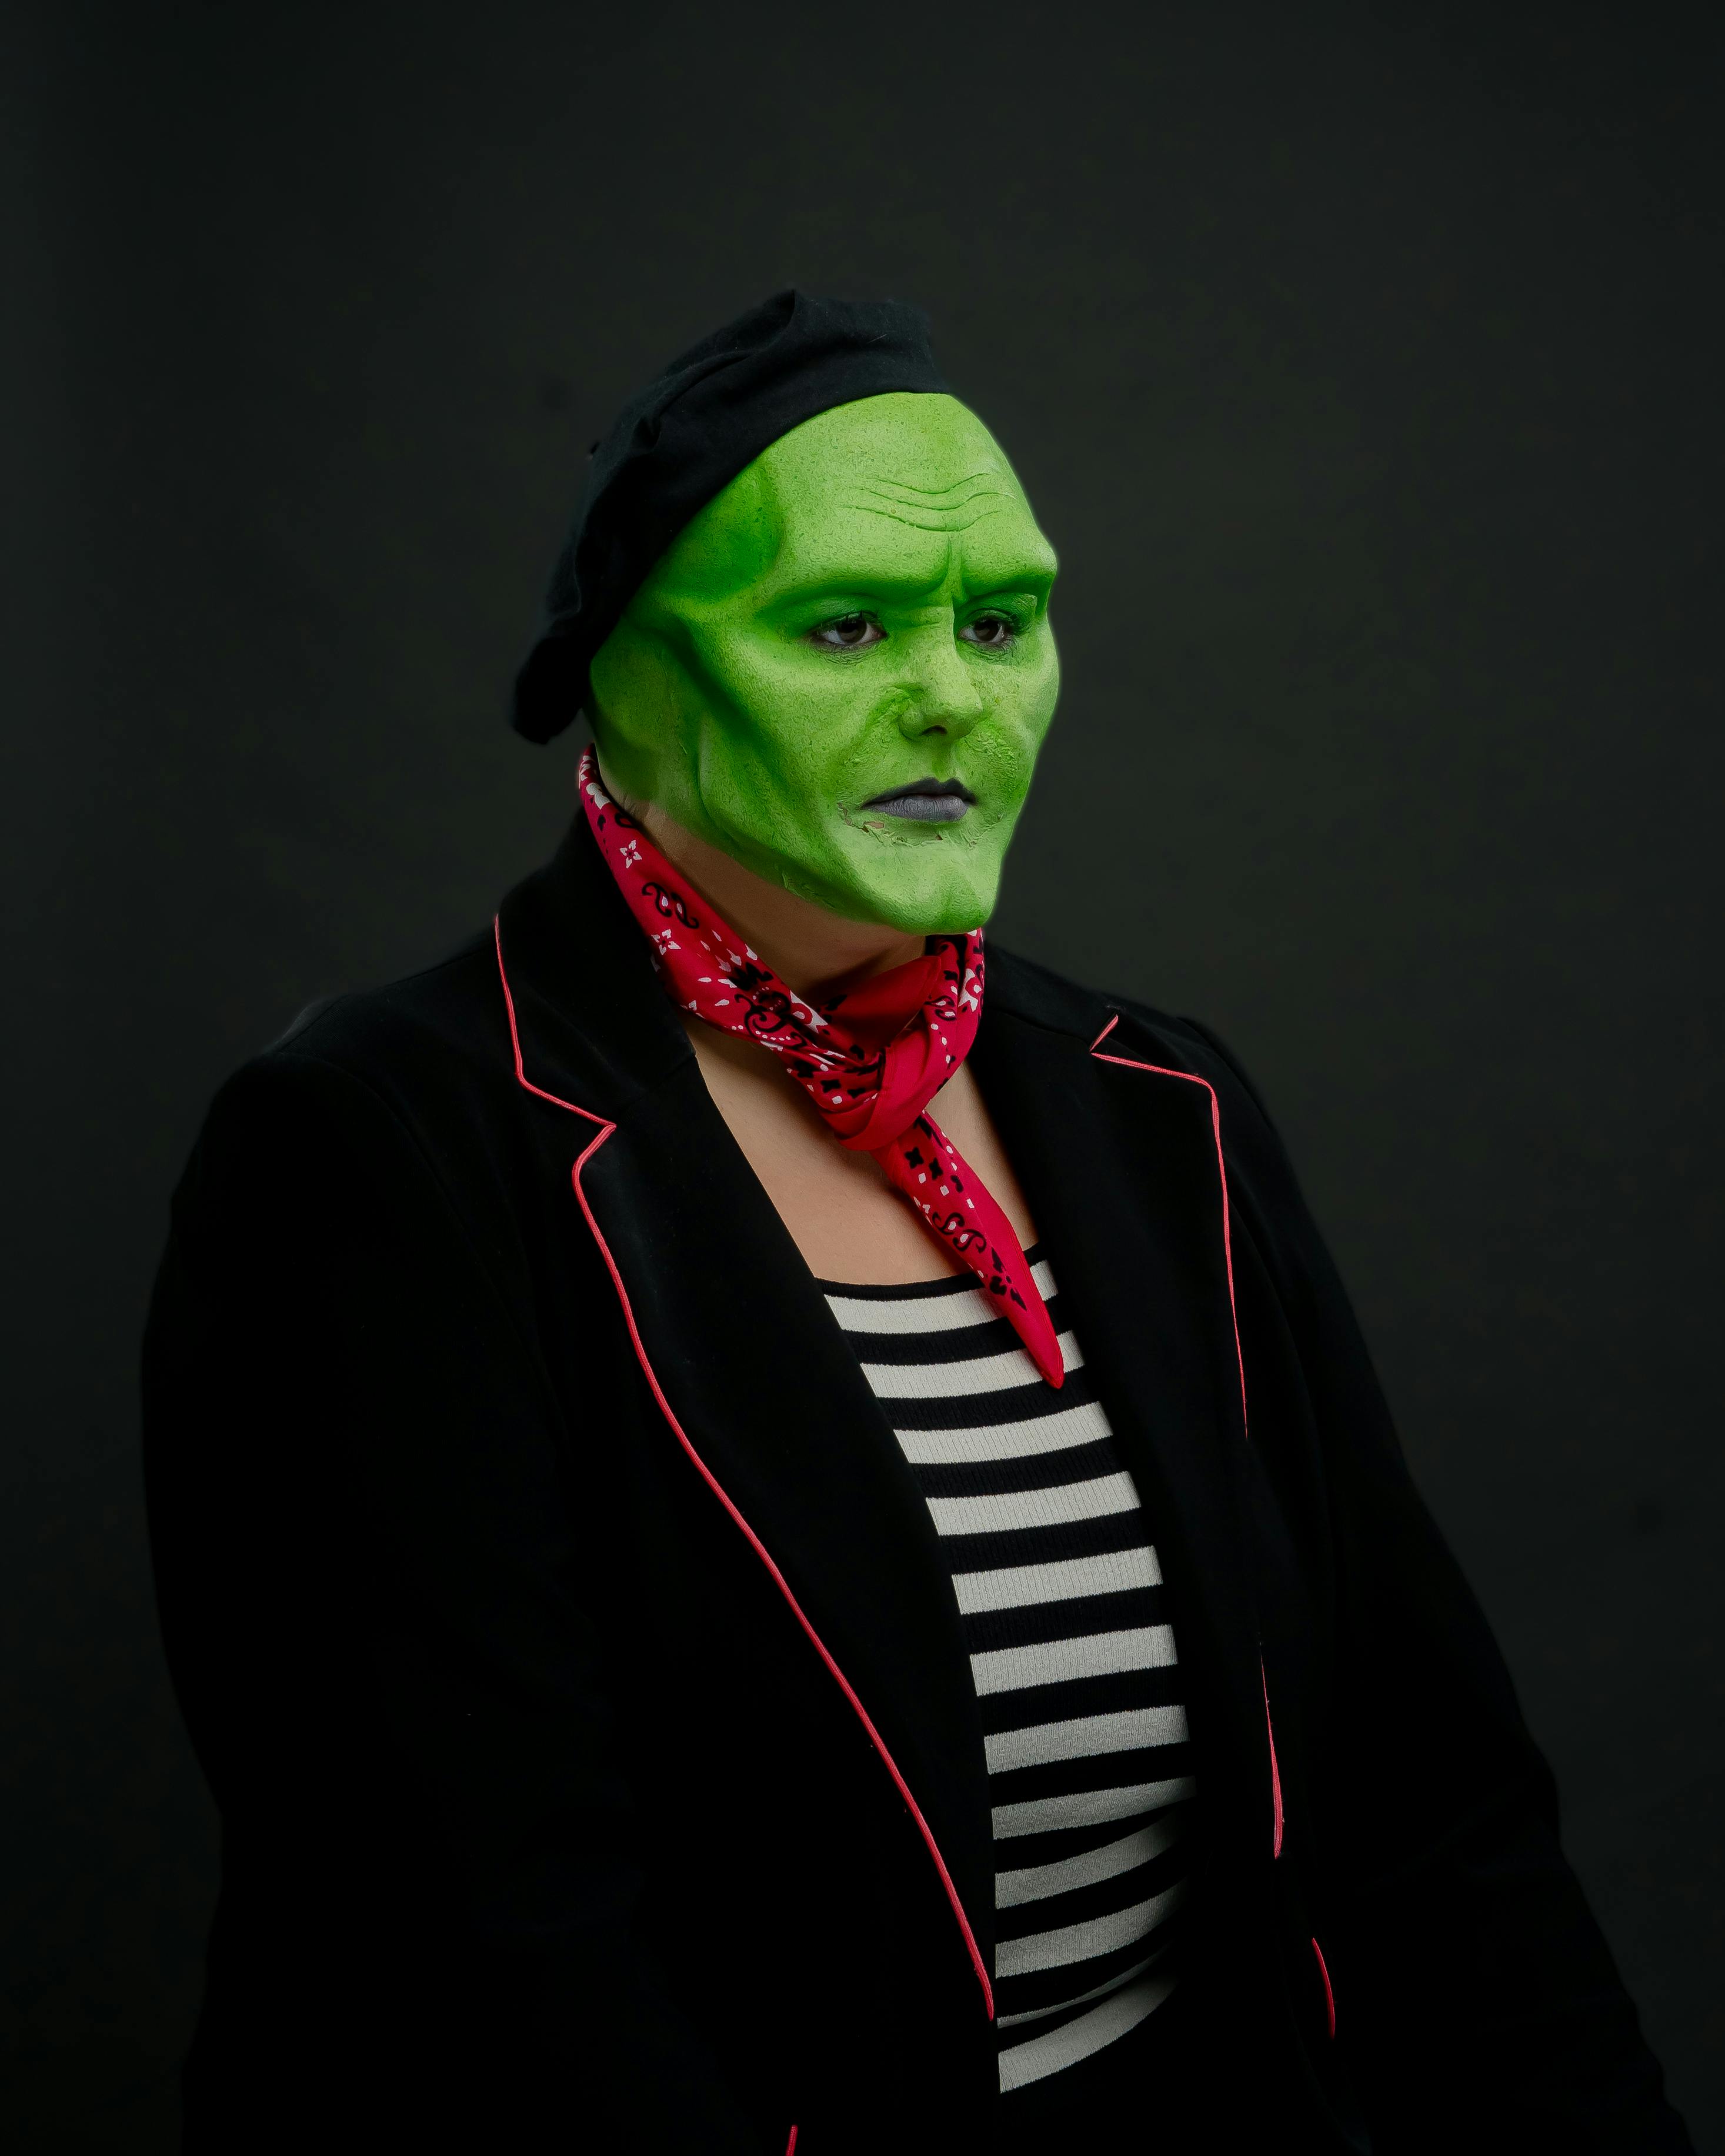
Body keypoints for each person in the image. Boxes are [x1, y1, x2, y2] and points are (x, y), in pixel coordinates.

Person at [141, 291, 1691, 2155]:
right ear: (625, 671)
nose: (953, 691)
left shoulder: (1155, 1110)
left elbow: (1433, 1818)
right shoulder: (380, 1157)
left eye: (1002, 620)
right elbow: (492, 1975)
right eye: (847, 623)